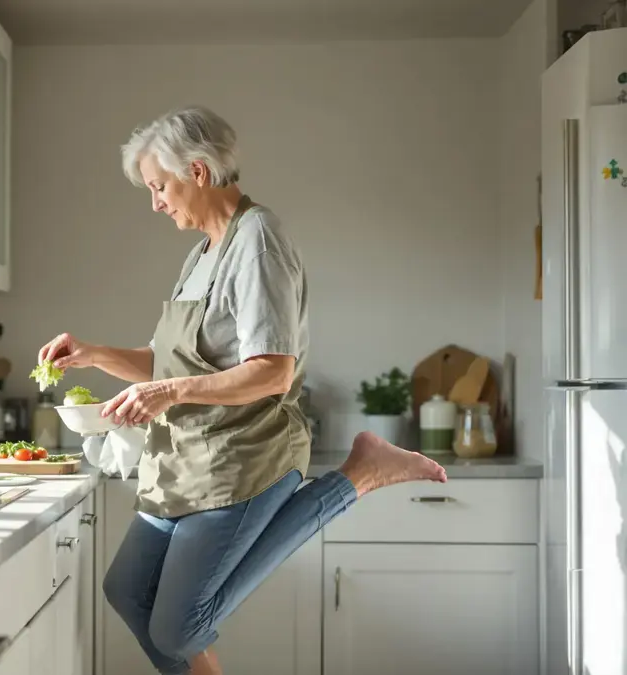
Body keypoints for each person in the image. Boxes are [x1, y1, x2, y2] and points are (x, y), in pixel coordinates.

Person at [37, 106, 447, 675]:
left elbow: (273, 371)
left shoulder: (257, 242)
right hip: (187, 461)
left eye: (159, 186)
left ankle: (361, 472)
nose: (155, 201)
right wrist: (93, 353)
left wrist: (169, 392)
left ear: (198, 172)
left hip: (244, 457)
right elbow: (169, 363)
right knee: (127, 591)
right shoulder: (203, 251)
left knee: (178, 626)